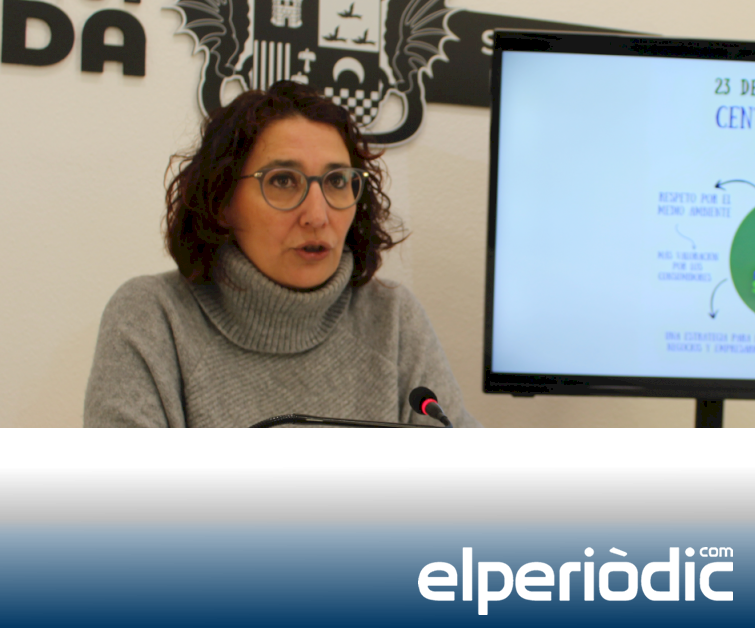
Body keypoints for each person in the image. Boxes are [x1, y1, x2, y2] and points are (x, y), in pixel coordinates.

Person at [84, 81, 478, 428]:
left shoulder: (392, 319)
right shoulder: (153, 318)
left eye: (337, 181)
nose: (317, 215)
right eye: (284, 181)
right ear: (222, 201)